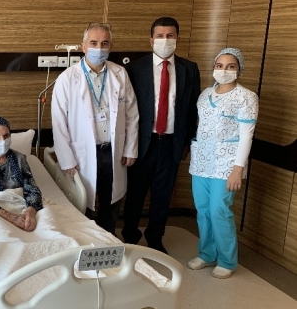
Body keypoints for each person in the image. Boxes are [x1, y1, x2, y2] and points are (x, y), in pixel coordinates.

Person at [121, 16, 201, 253]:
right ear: (151, 40)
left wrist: (187, 142)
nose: (165, 40)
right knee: (135, 194)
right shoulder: (134, 69)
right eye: (160, 36)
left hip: (171, 143)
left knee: (162, 195)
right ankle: (130, 236)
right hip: (141, 143)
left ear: (177, 38)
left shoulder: (189, 69)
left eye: (170, 36)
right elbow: (126, 109)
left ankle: (155, 237)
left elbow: (192, 108)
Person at [51, 22, 139, 235]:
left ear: (110, 47)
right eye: (93, 43)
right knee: (84, 202)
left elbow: (132, 114)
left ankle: (109, 239)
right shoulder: (67, 78)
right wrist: (66, 160)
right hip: (81, 153)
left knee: (111, 201)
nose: (99, 48)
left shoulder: (120, 74)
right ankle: (86, 242)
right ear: (84, 47)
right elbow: (58, 122)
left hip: (113, 150)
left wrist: (130, 149)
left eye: (104, 43)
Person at [187, 48, 258, 279]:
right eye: (219, 66)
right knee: (203, 210)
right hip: (201, 161)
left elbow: (246, 135)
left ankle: (227, 260)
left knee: (219, 210)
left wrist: (238, 169)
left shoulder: (246, 97)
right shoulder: (205, 94)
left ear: (239, 70)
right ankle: (207, 253)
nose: (224, 70)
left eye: (230, 66)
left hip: (227, 164)